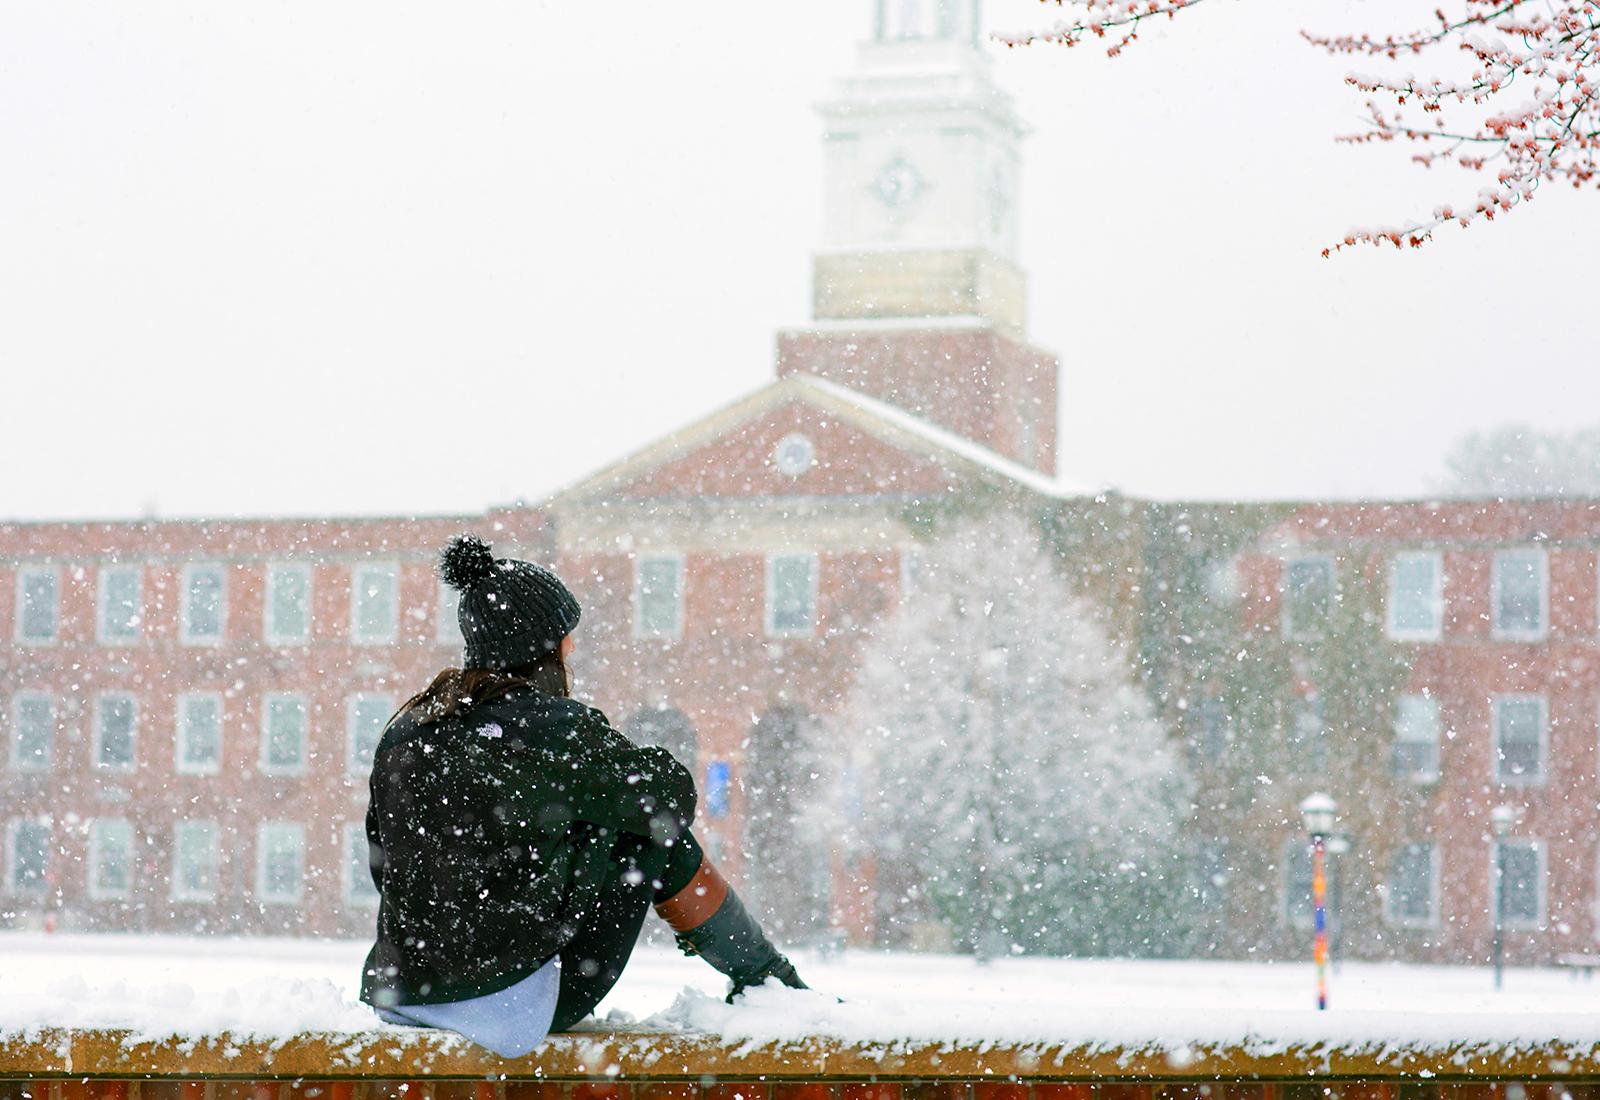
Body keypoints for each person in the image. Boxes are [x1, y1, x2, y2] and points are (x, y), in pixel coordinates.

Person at [359, 534, 806, 1054]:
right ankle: (771, 982)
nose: (572, 648)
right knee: (646, 838)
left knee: (599, 819)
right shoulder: (551, 727)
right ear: (546, 646)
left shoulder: (410, 728)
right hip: (506, 1004)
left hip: (405, 990)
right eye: (566, 637)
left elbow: (383, 863)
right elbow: (671, 800)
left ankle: (770, 982)